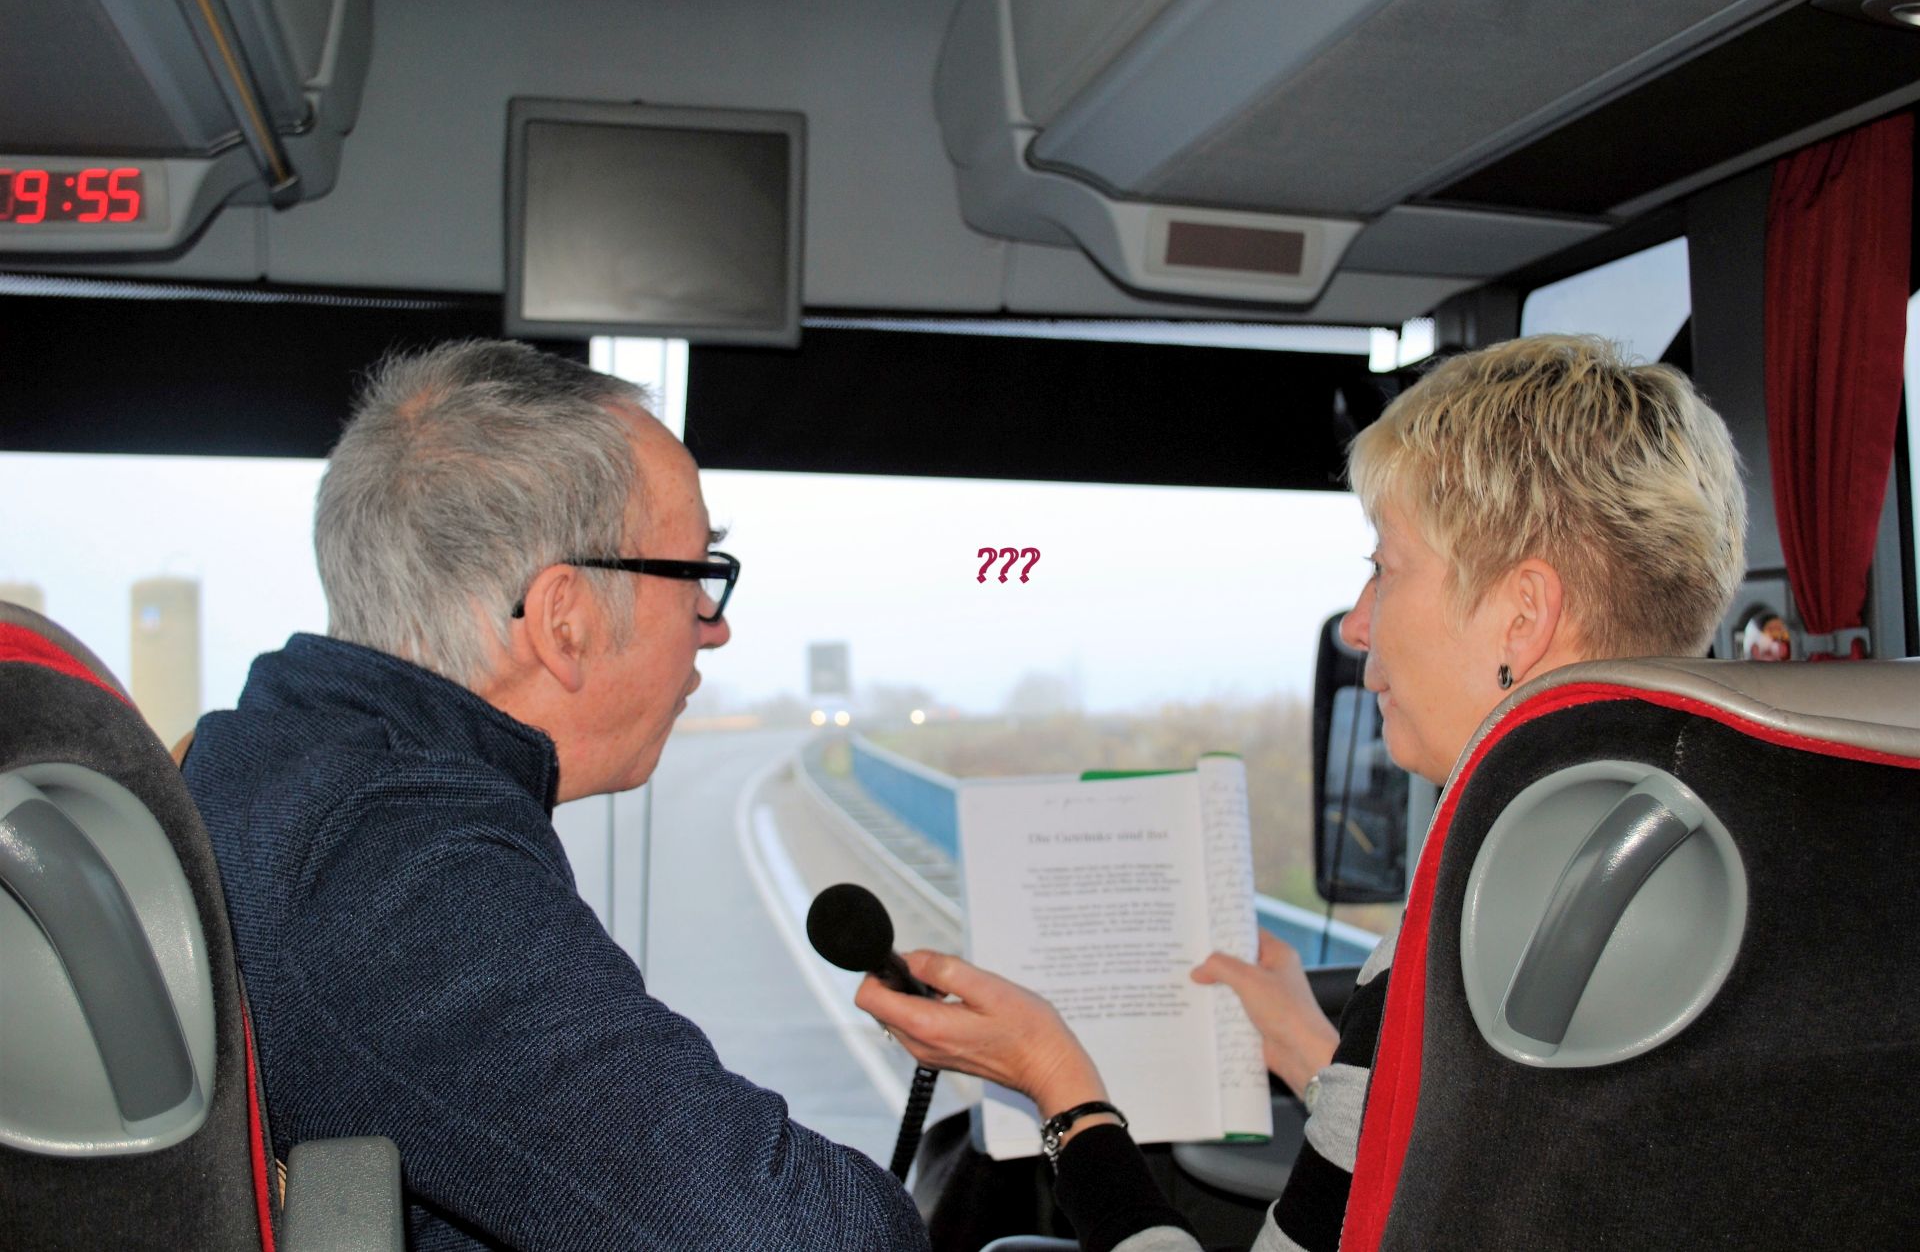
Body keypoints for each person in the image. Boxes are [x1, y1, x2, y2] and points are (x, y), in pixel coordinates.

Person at [857, 333, 1747, 1252]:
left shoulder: (1474, 923)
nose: (1357, 625)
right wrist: (1302, 1042)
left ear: (1523, 613)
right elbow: (1465, 1165)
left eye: (1384, 566)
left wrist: (1061, 1087)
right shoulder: (1743, 871)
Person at [184, 340, 928, 1251]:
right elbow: (810, 1234)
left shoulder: (273, 765)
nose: (717, 627)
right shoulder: (396, 871)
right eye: (698, 576)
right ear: (563, 621)